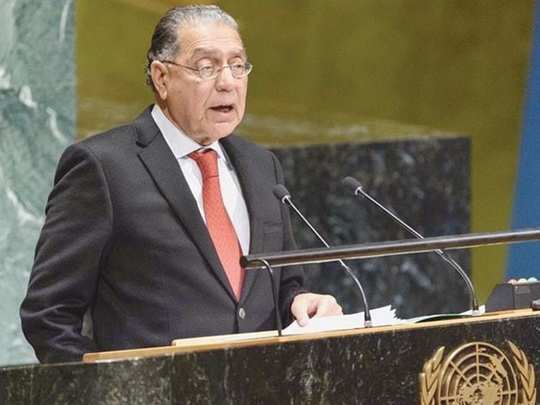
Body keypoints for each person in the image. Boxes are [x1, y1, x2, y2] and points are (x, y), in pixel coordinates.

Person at [20, 5, 342, 364]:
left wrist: (302, 303)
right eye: (206, 67)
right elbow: (48, 315)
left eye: (238, 65)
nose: (228, 82)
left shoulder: (262, 166)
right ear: (161, 77)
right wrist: (109, 387)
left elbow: (283, 286)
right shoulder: (103, 167)